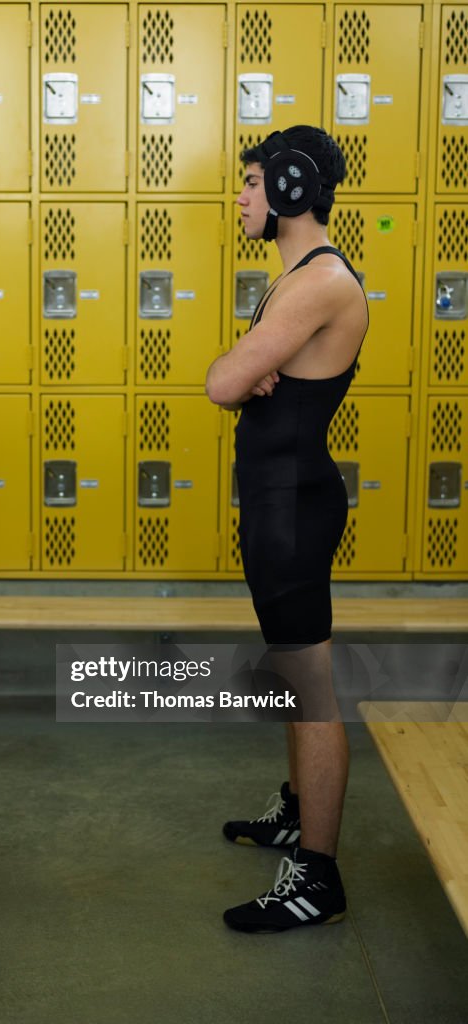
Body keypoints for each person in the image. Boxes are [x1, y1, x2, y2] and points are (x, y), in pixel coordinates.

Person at [206, 126, 368, 932]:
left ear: (291, 189)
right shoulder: (300, 278)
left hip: (292, 506)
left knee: (310, 689)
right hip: (280, 500)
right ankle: (298, 811)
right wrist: (245, 371)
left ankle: (316, 875)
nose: (239, 197)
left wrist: (238, 370)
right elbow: (242, 378)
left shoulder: (319, 282)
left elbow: (221, 381)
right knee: (291, 670)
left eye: (248, 182)